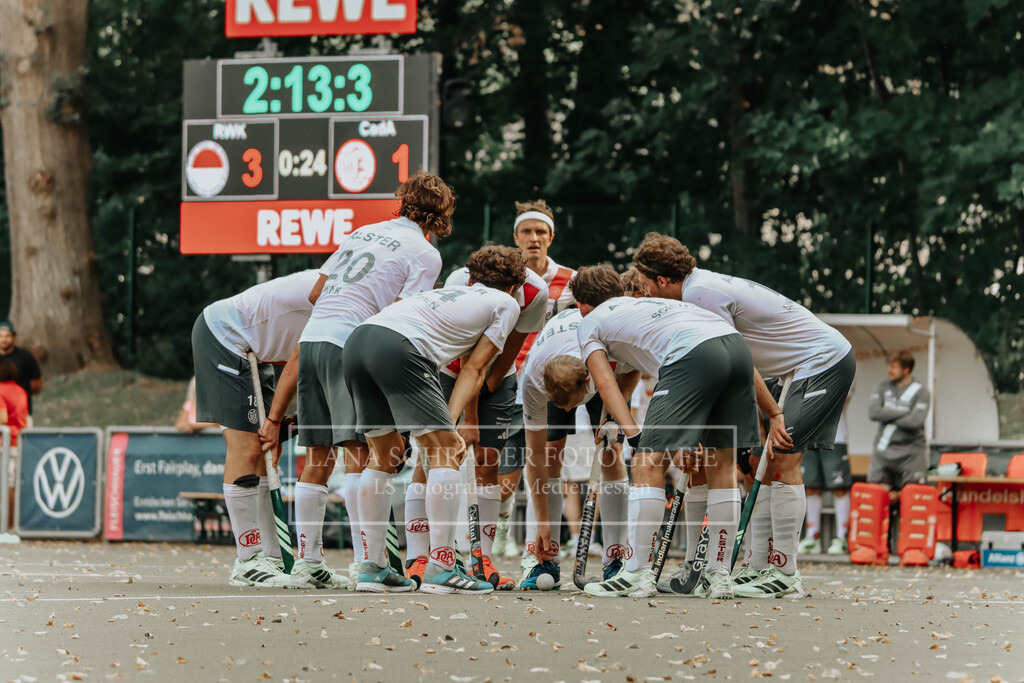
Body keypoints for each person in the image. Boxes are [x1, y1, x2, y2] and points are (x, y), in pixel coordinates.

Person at [632, 233, 855, 598]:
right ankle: (758, 565)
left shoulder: (698, 295)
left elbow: (737, 360)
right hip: (791, 371)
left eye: (646, 287)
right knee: (756, 460)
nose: (647, 297)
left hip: (822, 360)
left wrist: (773, 413)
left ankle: (785, 574)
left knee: (783, 458)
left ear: (662, 280)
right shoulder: (699, 287)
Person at [563, 265, 759, 599]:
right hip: (736, 349)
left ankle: (637, 573)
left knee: (646, 463)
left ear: (581, 305)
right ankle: (719, 576)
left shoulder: (589, 322)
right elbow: (632, 371)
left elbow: (605, 381)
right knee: (722, 466)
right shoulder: (641, 307)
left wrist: (634, 435)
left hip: (693, 354)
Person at [298, 171, 453, 588]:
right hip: (349, 342)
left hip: (311, 338)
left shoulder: (364, 231)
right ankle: (370, 564)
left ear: (401, 201)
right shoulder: (425, 253)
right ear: (442, 215)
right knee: (368, 455)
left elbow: (315, 293)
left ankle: (306, 562)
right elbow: (403, 316)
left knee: (316, 458)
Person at [342, 245, 526, 594]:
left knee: (384, 455)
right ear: (515, 287)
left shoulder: (449, 293)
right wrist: (451, 424)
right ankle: (441, 567)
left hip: (359, 341)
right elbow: (475, 367)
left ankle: (374, 567)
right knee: (446, 452)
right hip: (399, 346)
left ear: (471, 279)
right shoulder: (507, 303)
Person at [403, 263, 547, 590]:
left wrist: (489, 389)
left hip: (497, 373)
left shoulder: (535, 293)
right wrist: (470, 418)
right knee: (434, 457)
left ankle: (480, 557)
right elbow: (470, 361)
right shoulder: (459, 281)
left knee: (488, 463)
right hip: (451, 367)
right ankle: (418, 557)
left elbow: (512, 349)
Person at [192, 269, 321, 589]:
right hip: (225, 335)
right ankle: (248, 560)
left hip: (258, 353)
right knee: (248, 448)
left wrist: (279, 427)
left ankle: (271, 556)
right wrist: (275, 423)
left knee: (266, 454)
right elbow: (297, 359)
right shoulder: (341, 297)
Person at [518, 304, 636, 589]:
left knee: (611, 454)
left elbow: (634, 370)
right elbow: (534, 460)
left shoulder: (605, 353)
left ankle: (614, 557)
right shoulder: (534, 381)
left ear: (587, 381)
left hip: (601, 374)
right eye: (564, 407)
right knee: (550, 453)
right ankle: (546, 556)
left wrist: (613, 417)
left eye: (572, 404)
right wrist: (543, 522)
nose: (571, 410)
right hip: (559, 368)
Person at [493, 200, 577, 563]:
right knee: (504, 483)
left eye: (540, 232)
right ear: (515, 237)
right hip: (509, 380)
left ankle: (538, 552)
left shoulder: (570, 280)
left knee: (548, 466)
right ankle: (502, 523)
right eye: (526, 232)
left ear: (551, 238)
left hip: (551, 383)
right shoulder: (504, 277)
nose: (533, 238)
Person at [799, 385, 854, 556]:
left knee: (839, 487)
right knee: (811, 486)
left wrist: (812, 405)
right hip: (808, 435)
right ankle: (812, 537)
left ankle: (841, 537)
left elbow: (843, 400)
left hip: (835, 436)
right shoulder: (805, 363)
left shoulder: (841, 359)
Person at [867, 351, 930, 494]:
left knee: (912, 499)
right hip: (883, 452)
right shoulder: (882, 386)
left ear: (906, 369)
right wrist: (905, 411)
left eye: (894, 367)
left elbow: (915, 421)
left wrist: (887, 412)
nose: (890, 370)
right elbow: (873, 413)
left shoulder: (921, 391)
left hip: (911, 453)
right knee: (876, 498)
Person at [1, 358, 29, 532]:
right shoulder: (21, 390)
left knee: (7, 484)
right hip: (19, 441)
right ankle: (12, 524)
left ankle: (7, 525)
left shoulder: (0, 390)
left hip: (4, 443)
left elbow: (2, 418)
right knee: (13, 483)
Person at [0, 321, 42, 415]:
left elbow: (38, 384)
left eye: (7, 336)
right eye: (1, 336)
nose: (4, 339)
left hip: (21, 414)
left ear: (14, 337)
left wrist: (16, 389)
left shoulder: (25, 356)